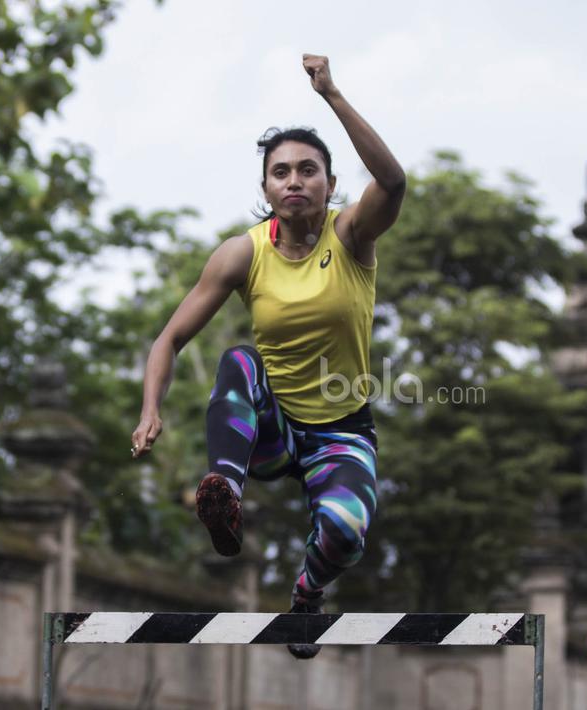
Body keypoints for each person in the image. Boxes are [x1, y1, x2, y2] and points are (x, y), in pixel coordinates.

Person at [129, 53, 405, 660]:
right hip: (273, 427)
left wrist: (332, 94)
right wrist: (151, 408)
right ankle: (225, 492)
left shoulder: (351, 236)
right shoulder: (241, 253)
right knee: (239, 360)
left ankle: (307, 594)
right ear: (265, 189)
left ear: (330, 185)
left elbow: (393, 183)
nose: (295, 181)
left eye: (309, 170)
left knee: (345, 533)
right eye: (281, 172)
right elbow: (169, 339)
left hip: (340, 428)